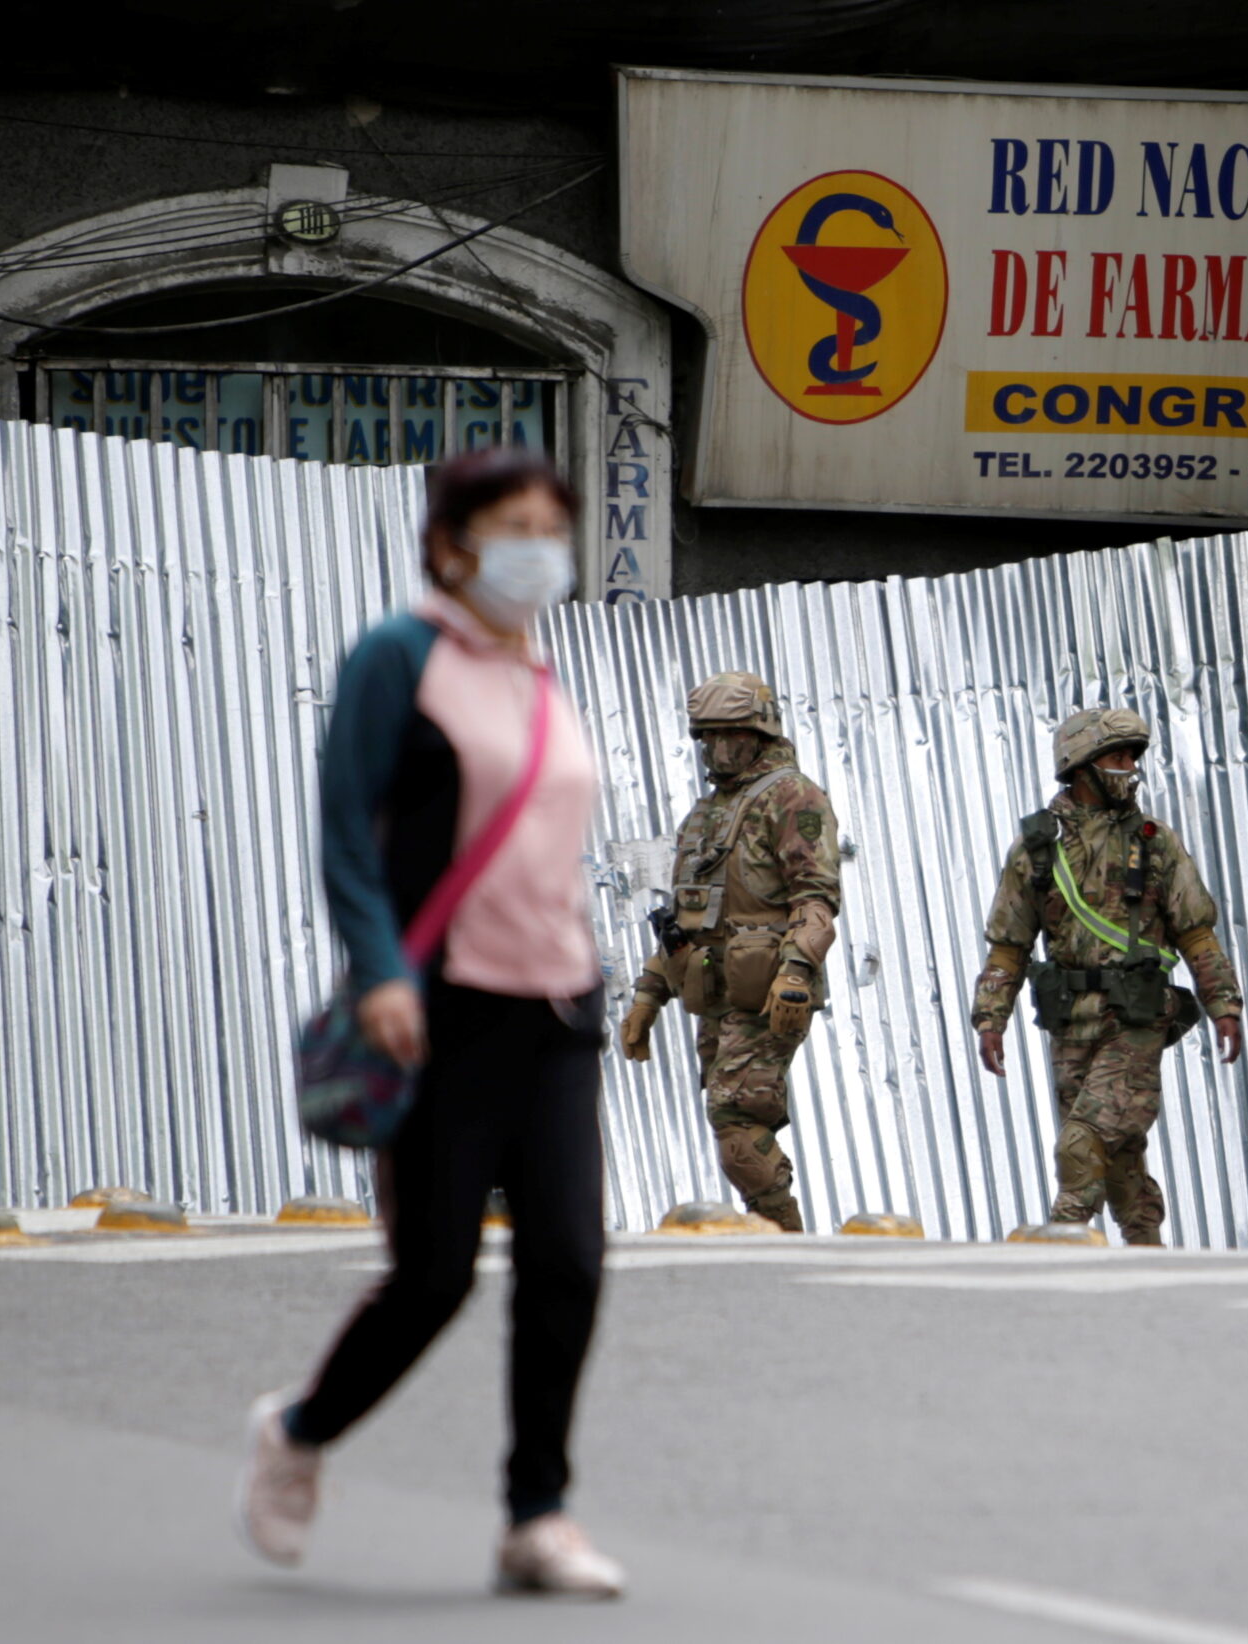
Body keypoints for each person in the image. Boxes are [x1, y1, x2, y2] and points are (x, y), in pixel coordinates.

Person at [237, 447, 623, 1597]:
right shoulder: (398, 657)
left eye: (552, 526)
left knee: (569, 1260)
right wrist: (379, 971)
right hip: (438, 1007)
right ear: (452, 541)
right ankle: (299, 1431)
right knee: (436, 1274)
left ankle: (537, 1517)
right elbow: (347, 830)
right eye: (513, 525)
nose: (538, 549)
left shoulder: (541, 674)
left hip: (554, 1005)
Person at [970, 708, 1243, 1242]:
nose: (1129, 768)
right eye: (1118, 757)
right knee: (1118, 1161)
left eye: (1132, 758)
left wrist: (1224, 1004)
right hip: (1070, 1025)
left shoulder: (1153, 839)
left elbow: (1195, 932)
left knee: (1082, 1144)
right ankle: (1148, 1256)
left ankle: (1059, 1244)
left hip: (1135, 1020)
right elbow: (1009, 946)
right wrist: (990, 1018)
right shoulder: (1037, 846)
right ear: (1081, 765)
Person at [616, 672, 840, 1230]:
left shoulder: (792, 796)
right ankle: (774, 1230)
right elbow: (684, 919)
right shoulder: (706, 813)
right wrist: (648, 995)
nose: (718, 750)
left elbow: (815, 897)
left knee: (734, 1112)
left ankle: (785, 1234)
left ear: (760, 735)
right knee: (730, 1119)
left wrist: (795, 972)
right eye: (708, 738)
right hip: (715, 988)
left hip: (767, 990)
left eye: (731, 736)